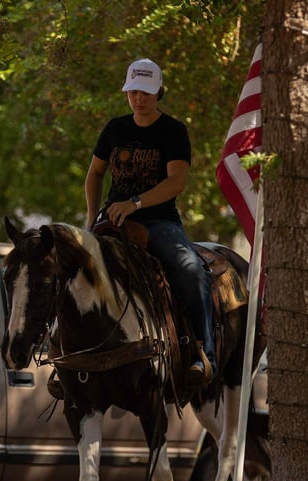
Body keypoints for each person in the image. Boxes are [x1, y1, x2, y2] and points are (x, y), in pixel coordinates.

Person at [84, 57, 216, 386]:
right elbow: (95, 173)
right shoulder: (115, 128)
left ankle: (203, 352)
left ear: (158, 92)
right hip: (112, 219)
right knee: (73, 267)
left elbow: (177, 182)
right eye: (133, 92)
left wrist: (135, 203)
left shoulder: (173, 131)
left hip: (157, 221)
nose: (138, 99)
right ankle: (63, 355)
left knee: (188, 268)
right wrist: (90, 216)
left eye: (145, 92)